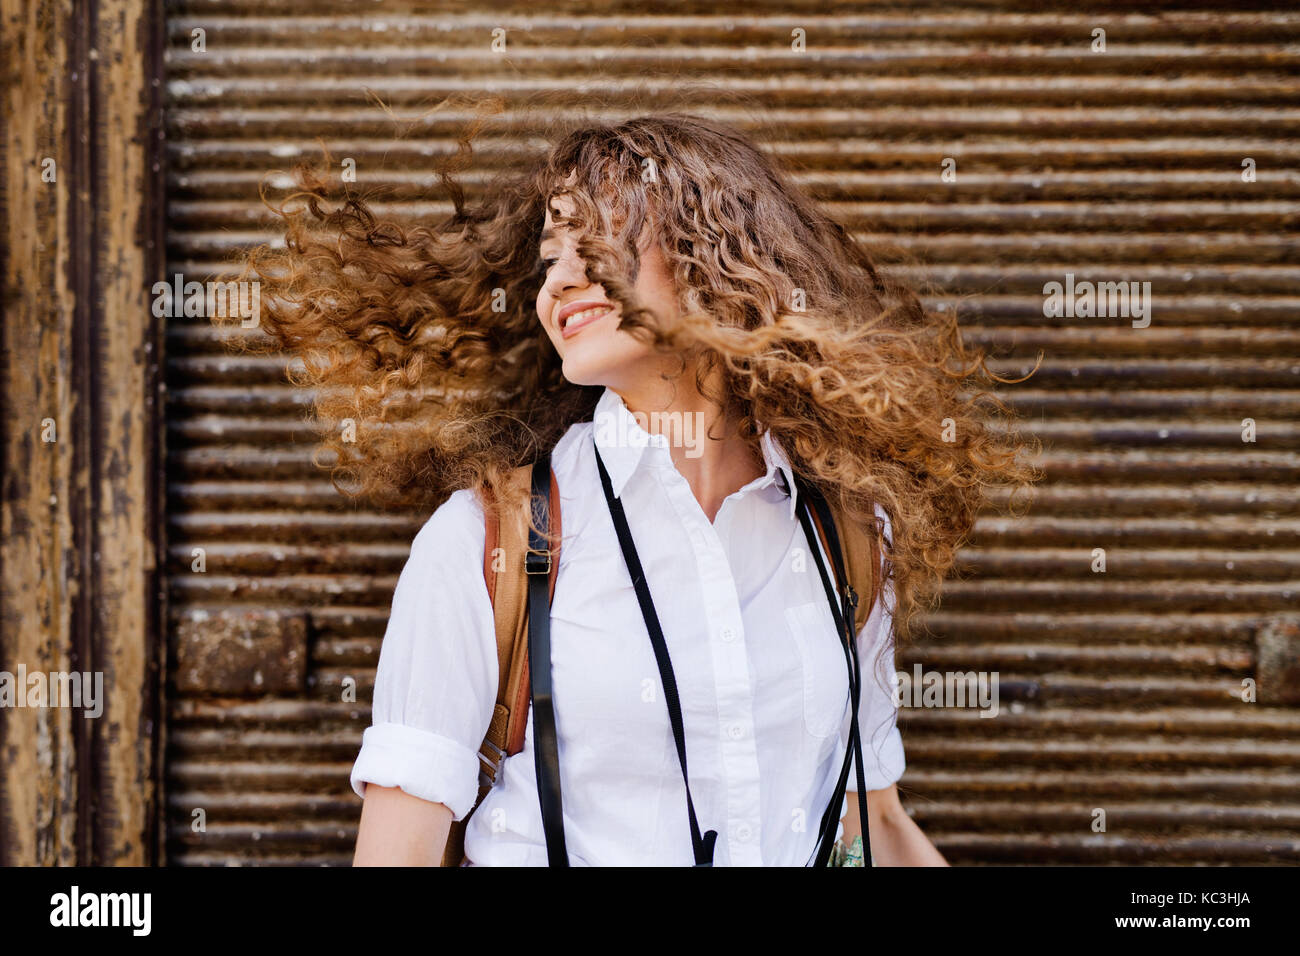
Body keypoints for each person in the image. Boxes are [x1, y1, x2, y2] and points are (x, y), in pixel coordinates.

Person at [234, 109, 1038, 866]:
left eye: (602, 248)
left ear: (717, 260)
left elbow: (875, 820)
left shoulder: (847, 536)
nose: (559, 284)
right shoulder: (485, 544)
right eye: (551, 260)